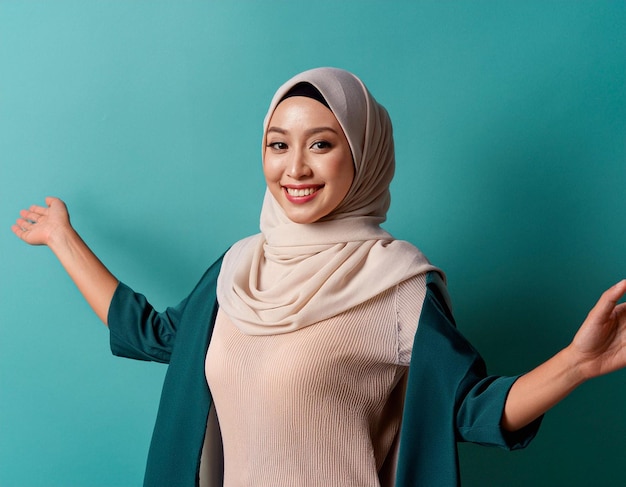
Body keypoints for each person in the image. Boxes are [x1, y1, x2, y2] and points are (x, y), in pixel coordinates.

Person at [12, 67, 626, 487]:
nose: (295, 167)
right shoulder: (237, 269)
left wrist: (577, 362)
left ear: (362, 154)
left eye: (322, 144)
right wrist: (63, 239)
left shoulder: (397, 286)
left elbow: (467, 410)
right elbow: (152, 334)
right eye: (278, 144)